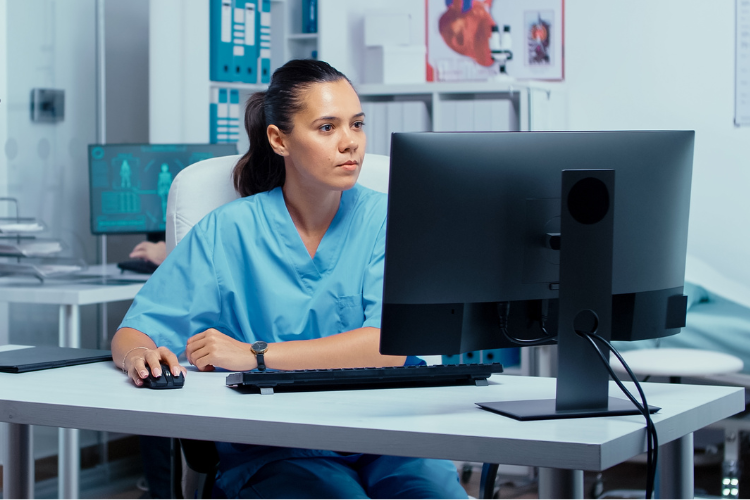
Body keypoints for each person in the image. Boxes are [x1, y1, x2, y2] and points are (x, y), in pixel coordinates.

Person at [111, 59, 467, 499]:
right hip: (281, 443)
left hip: (388, 430)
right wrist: (138, 357)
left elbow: (387, 346)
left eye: (356, 124)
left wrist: (254, 355)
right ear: (279, 139)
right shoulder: (229, 231)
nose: (349, 143)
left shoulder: (389, 217)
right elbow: (135, 330)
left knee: (435, 494)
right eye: (326, 128)